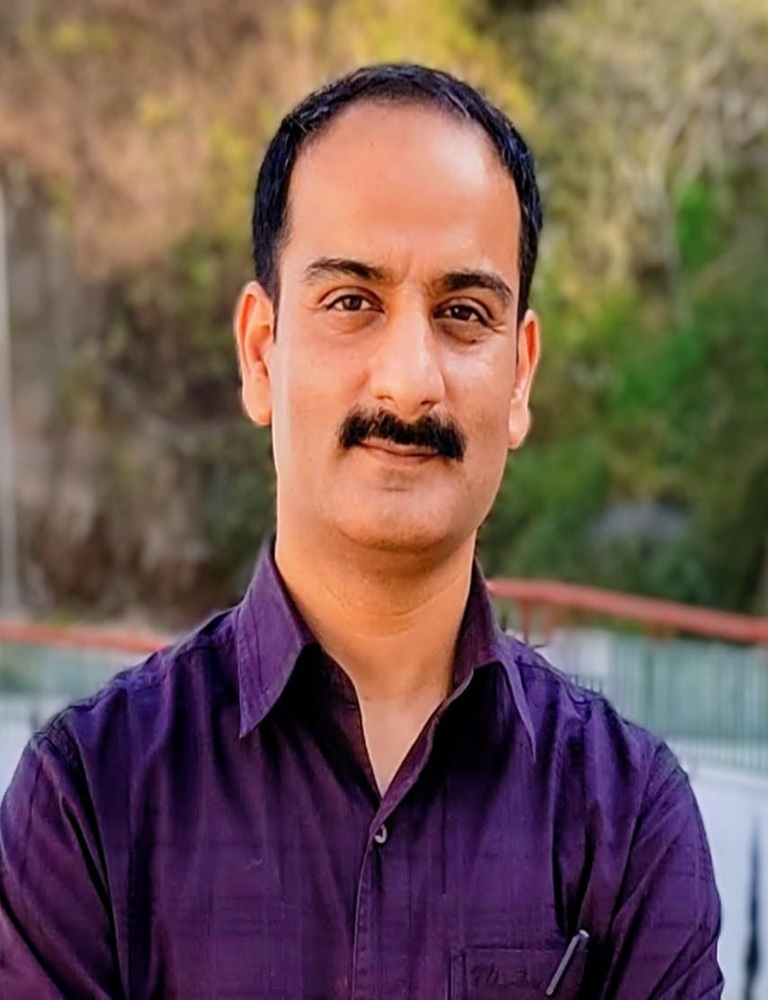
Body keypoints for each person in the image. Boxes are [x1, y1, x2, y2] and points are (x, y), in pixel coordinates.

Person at [0, 64, 722, 999]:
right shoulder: (90, 804)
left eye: (463, 314)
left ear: (519, 375)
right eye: (352, 302)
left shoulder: (628, 820)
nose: (409, 380)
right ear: (260, 352)